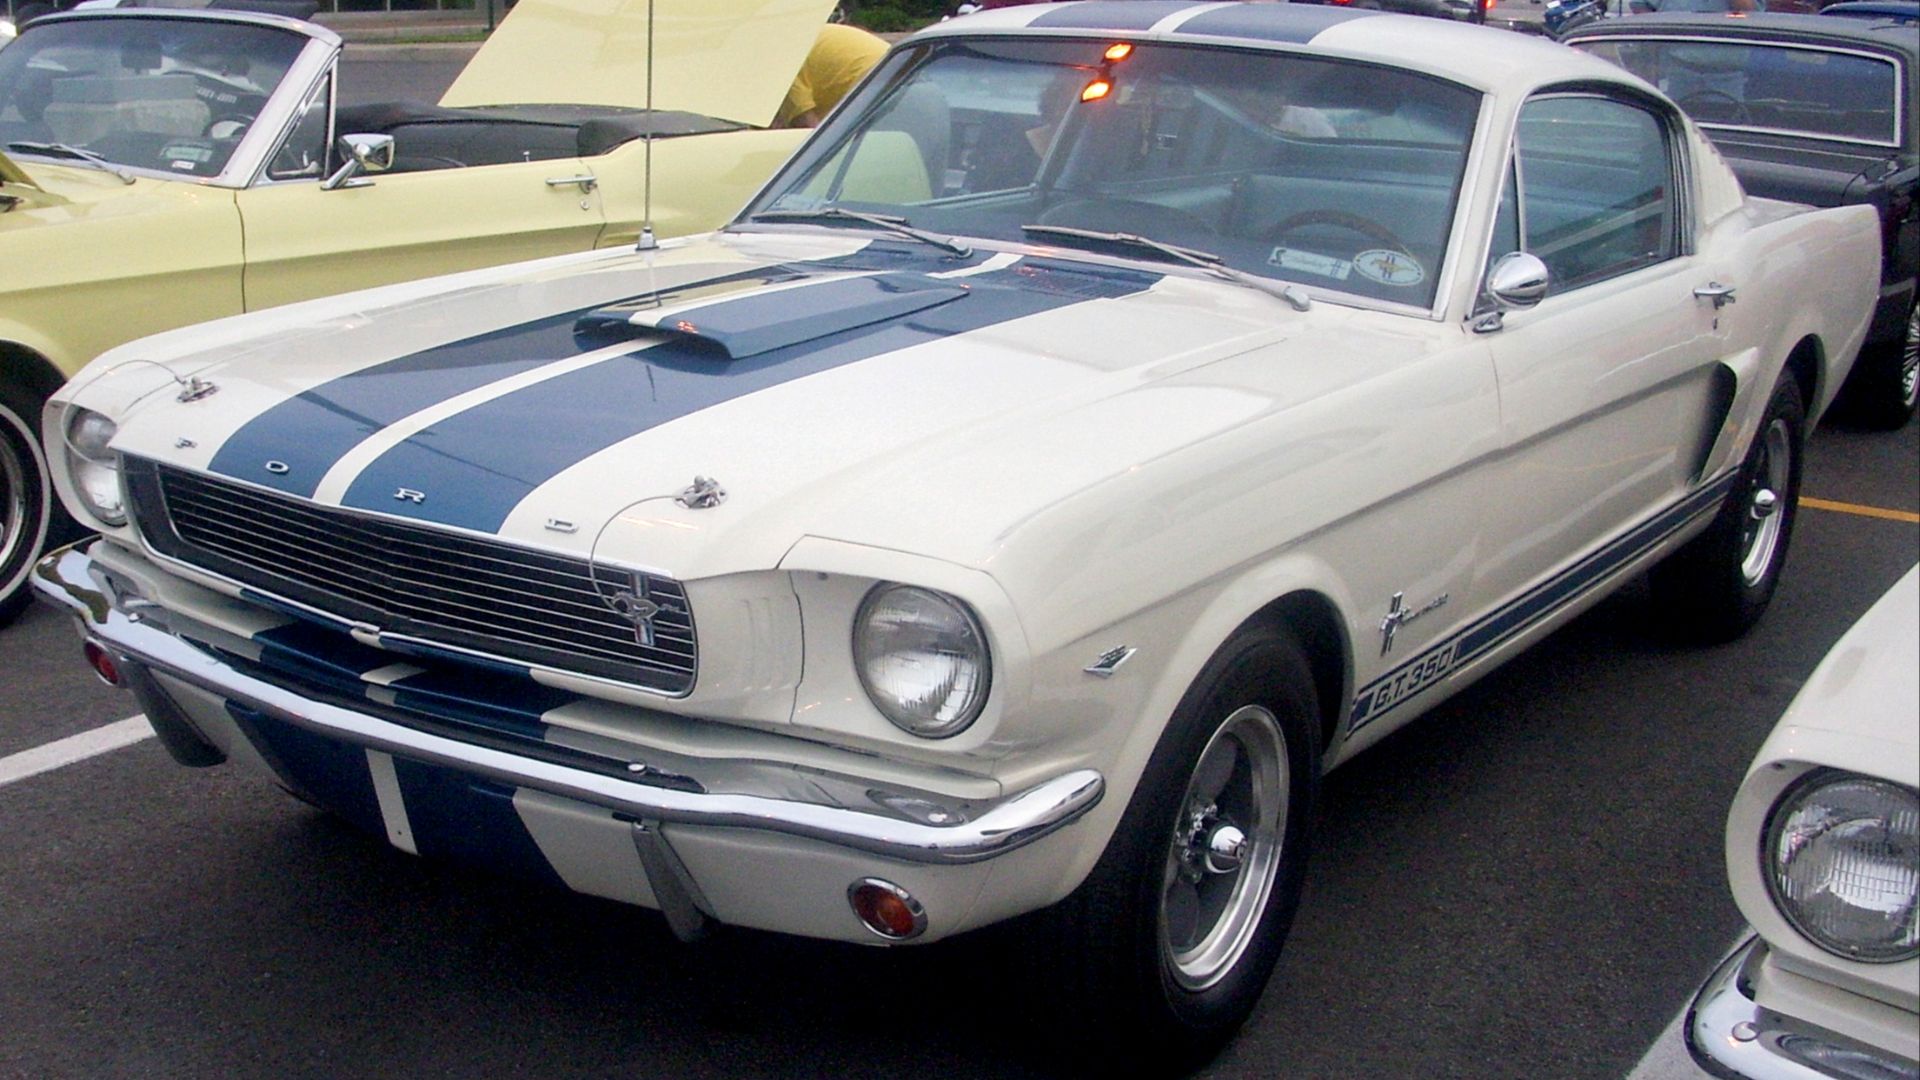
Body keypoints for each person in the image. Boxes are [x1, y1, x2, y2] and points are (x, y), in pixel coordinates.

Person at [776, 24, 888, 128]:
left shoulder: (779, 64)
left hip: (871, 78)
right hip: (893, 62)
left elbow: (808, 131)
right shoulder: (800, 39)